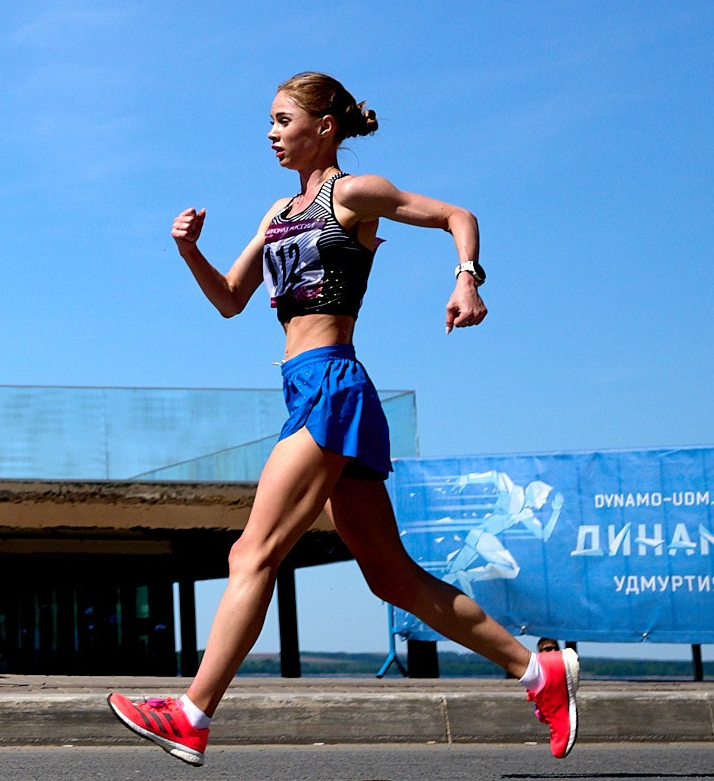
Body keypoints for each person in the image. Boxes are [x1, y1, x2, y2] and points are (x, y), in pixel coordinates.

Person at [108, 74, 579, 766]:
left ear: (324, 125)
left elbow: (457, 214)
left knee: (251, 552)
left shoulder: (351, 194)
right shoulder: (278, 210)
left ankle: (193, 711)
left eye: (282, 119)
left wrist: (467, 276)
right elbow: (232, 300)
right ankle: (541, 673)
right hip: (302, 389)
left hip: (332, 383)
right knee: (390, 575)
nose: (271, 133)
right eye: (268, 122)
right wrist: (189, 252)